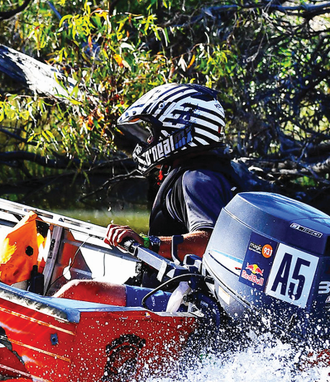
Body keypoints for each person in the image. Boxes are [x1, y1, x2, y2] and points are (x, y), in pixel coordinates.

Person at [55, 83, 241, 306]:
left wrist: (147, 242)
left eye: (155, 132)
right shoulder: (212, 172)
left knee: (80, 292)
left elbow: (209, 243)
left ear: (179, 130)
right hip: (181, 296)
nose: (150, 141)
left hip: (185, 305)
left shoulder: (196, 179)